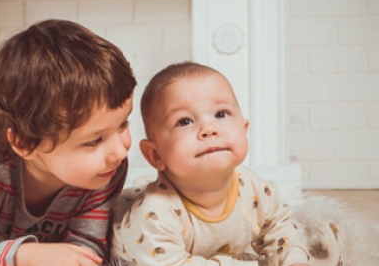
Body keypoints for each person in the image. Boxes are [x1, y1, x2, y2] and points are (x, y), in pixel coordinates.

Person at [0, 19, 136, 266]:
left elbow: (87, 245)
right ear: (27, 144)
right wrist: (22, 255)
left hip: (5, 162)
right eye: (94, 140)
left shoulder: (106, 170)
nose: (120, 151)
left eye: (123, 124)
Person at [110, 62, 309, 266]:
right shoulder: (154, 214)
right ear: (155, 155)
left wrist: (293, 261)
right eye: (185, 121)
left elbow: (281, 230)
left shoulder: (254, 189)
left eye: (221, 114)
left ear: (244, 128)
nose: (209, 128)